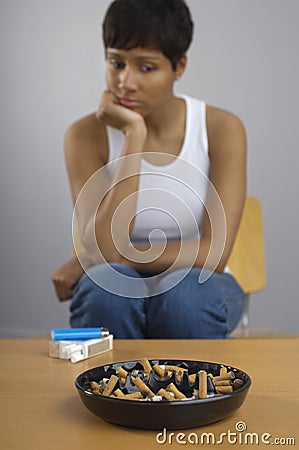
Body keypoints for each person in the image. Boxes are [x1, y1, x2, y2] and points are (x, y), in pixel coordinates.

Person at [51, 0, 247, 339]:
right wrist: (134, 135)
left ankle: (187, 391)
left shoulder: (221, 128)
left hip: (200, 285)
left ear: (179, 65)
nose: (125, 83)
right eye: (116, 63)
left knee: (183, 296)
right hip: (117, 281)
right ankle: (116, 392)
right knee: (107, 292)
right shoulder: (84, 136)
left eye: (146, 68)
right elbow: (107, 250)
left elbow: (213, 255)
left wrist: (100, 257)